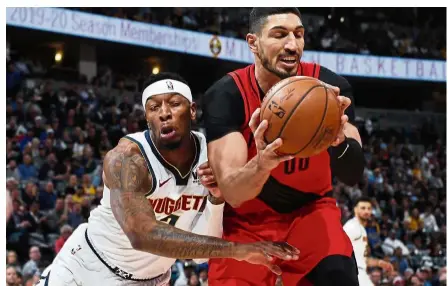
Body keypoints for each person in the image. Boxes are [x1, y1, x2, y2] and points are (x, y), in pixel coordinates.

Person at [37, 72, 298, 286]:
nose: (164, 112)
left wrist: (216, 199)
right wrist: (239, 250)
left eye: (174, 104)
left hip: (153, 279)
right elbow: (143, 236)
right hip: (88, 269)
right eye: (154, 107)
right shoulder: (127, 158)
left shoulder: (214, 155)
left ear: (192, 110)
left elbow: (199, 258)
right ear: (146, 117)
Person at [202, 7, 364, 286]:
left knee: (339, 276)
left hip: (310, 212)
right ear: (253, 42)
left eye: (298, 35)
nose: (292, 45)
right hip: (247, 222)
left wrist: (339, 143)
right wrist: (263, 162)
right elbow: (233, 193)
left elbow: (353, 174)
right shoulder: (226, 96)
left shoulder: (330, 87)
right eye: (280, 35)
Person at [343, 197, 393, 286]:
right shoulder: (352, 226)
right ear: (355, 209)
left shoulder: (362, 229)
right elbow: (339, 251)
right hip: (352, 273)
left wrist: (379, 263)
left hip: (359, 272)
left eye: (369, 208)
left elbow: (362, 259)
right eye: (363, 208)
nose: (366, 211)